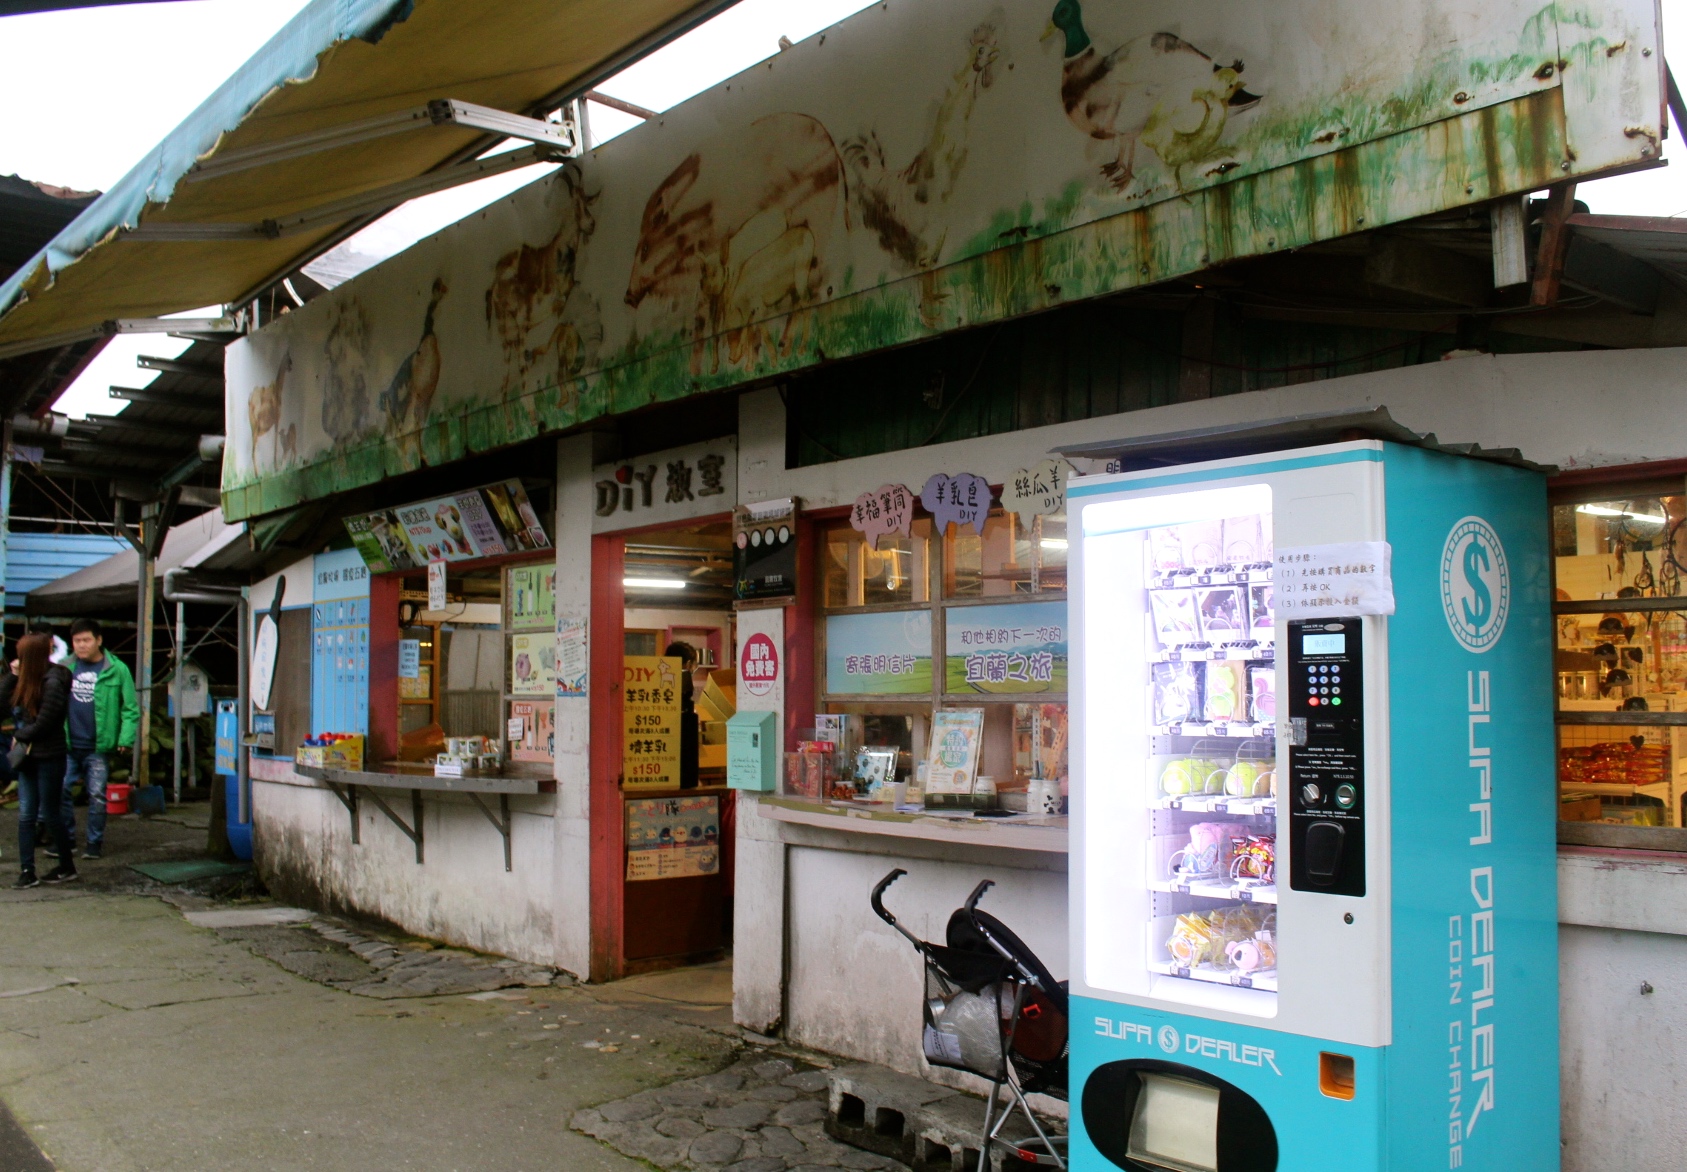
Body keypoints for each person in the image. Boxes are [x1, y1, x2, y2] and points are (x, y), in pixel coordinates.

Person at [0, 633, 75, 887]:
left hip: (49, 755)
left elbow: (46, 721)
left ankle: (66, 865)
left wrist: (19, 735)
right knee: (25, 814)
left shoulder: (54, 680)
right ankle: (27, 871)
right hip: (27, 757)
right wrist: (11, 676)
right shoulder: (25, 678)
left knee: (50, 813)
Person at [60, 619, 139, 861]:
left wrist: (125, 738)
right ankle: (67, 841)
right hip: (67, 744)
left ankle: (94, 844)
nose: (81, 646)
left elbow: (130, 709)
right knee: (61, 790)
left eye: (86, 640)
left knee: (96, 796)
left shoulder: (117, 669)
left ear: (99, 640)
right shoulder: (64, 667)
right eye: (76, 641)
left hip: (98, 746)